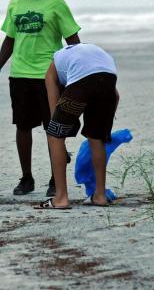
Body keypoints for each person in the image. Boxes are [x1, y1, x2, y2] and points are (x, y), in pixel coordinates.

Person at [0, 0, 81, 197]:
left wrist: (77, 71)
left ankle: (55, 179)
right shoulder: (15, 4)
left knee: (52, 127)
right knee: (22, 127)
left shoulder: (56, 3)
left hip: (49, 75)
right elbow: (10, 39)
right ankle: (27, 178)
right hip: (20, 74)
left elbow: (73, 40)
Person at [36, 43, 119, 209]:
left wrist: (59, 131)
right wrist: (103, 128)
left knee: (54, 135)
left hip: (82, 82)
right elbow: (115, 95)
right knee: (97, 138)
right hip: (109, 78)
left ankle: (60, 198)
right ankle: (100, 195)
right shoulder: (80, 53)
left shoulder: (52, 70)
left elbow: (54, 115)